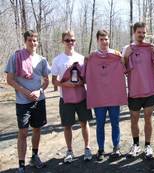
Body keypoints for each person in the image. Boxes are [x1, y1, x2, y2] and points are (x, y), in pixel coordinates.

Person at [5, 30, 50, 173]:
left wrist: (39, 91)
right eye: (30, 40)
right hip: (23, 102)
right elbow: (10, 80)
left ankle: (35, 156)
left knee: (37, 129)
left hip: (39, 100)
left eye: (35, 40)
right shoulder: (16, 57)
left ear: (38, 42)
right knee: (23, 132)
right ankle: (21, 164)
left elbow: (46, 80)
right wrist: (25, 92)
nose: (33, 43)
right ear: (25, 41)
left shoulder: (42, 59)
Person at [84, 30, 127, 161]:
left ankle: (116, 147)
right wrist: (86, 60)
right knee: (100, 124)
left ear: (109, 40)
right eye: (101, 39)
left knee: (115, 123)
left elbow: (125, 69)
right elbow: (84, 74)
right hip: (99, 97)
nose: (104, 42)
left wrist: (122, 59)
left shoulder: (116, 55)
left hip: (114, 97)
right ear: (97, 41)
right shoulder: (91, 57)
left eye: (106, 39)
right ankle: (101, 149)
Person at [51, 31, 93, 163]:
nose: (70, 43)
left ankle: (87, 148)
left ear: (75, 41)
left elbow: (86, 79)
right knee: (67, 125)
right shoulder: (57, 60)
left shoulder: (81, 58)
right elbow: (53, 81)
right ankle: (69, 151)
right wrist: (65, 84)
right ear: (62, 42)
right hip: (65, 99)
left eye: (72, 40)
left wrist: (82, 82)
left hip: (81, 97)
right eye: (67, 40)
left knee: (84, 123)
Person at [122, 22, 154, 159]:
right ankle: (136, 145)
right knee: (134, 119)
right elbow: (122, 69)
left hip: (150, 90)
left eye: (144, 32)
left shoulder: (151, 48)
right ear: (134, 32)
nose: (142, 35)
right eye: (139, 32)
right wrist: (125, 56)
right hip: (134, 91)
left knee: (148, 119)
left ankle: (148, 145)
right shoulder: (127, 48)